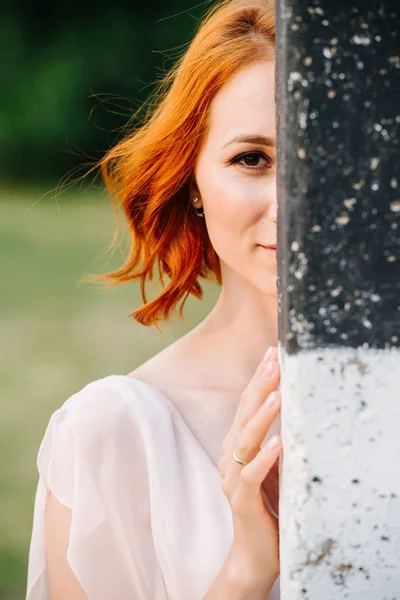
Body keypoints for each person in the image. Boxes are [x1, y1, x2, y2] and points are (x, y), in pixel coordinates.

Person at [26, 0, 282, 598]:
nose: (296, 202)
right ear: (193, 181)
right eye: (253, 159)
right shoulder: (113, 434)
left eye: (330, 162)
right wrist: (247, 570)